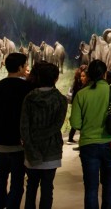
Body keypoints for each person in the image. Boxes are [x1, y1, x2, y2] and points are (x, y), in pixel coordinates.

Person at [69, 59, 111, 209]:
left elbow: (75, 124)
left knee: (91, 187)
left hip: (88, 146)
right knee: (109, 183)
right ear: (105, 74)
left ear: (89, 74)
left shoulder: (81, 95)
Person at [0, 52, 34, 209]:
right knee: (17, 181)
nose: (27, 68)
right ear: (20, 67)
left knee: (0, 177)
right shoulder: (29, 89)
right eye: (25, 65)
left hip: (0, 143)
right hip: (20, 144)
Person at [20, 62, 68, 209]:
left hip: (31, 148)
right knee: (47, 188)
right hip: (52, 150)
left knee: (31, 187)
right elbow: (57, 125)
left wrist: (30, 144)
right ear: (56, 78)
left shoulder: (29, 98)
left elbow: (24, 126)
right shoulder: (61, 99)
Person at [68, 65, 88, 144]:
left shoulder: (77, 78)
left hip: (75, 101)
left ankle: (71, 138)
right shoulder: (80, 80)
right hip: (79, 102)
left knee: (77, 120)